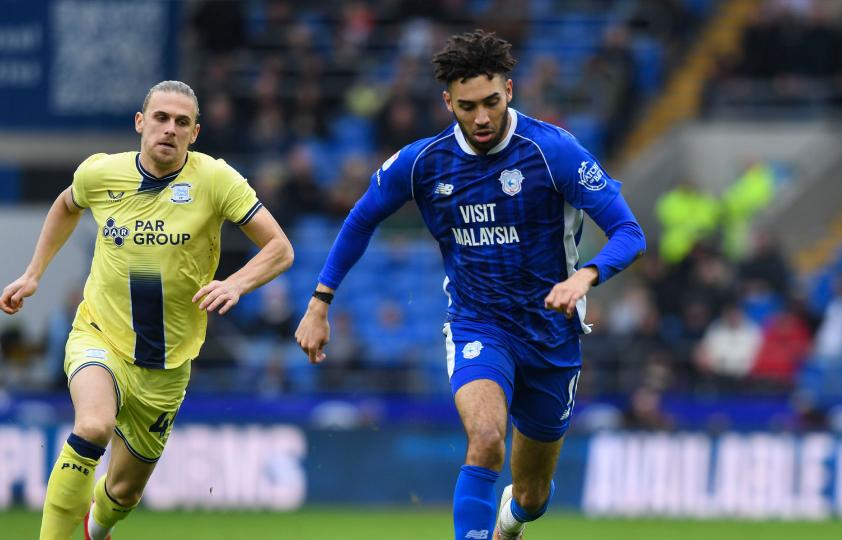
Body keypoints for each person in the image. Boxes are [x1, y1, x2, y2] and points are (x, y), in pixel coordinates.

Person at [295, 30, 645, 540]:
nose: (481, 118)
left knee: (533, 496)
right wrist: (320, 301)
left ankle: (510, 520)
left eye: (491, 102)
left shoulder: (554, 152)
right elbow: (360, 219)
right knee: (485, 439)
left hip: (552, 335)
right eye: (467, 106)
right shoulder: (423, 162)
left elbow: (629, 233)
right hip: (478, 324)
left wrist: (584, 276)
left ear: (510, 89)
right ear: (447, 102)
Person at [0, 80, 293, 540]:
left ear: (194, 133)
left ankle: (96, 528)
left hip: (166, 365)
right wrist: (34, 272)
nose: (169, 129)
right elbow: (65, 206)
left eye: (181, 122)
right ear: (140, 122)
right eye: (160, 118)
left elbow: (279, 248)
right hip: (100, 335)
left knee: (123, 493)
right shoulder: (100, 173)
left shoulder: (216, 180)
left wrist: (235, 283)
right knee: (93, 426)